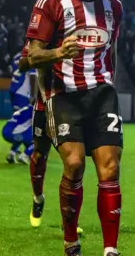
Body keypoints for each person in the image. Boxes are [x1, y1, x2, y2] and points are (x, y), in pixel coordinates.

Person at [25, 0, 126, 256]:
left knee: (110, 169)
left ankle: (110, 255)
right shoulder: (50, 3)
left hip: (101, 94)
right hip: (63, 93)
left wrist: (111, 82)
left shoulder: (114, 6)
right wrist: (58, 54)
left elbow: (113, 49)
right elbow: (30, 56)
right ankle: (71, 245)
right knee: (73, 163)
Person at [18, 51, 85, 235]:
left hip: (70, 105)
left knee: (72, 162)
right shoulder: (43, 30)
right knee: (40, 156)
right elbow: (24, 62)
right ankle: (38, 198)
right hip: (44, 104)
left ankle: (69, 221)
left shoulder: (78, 29)